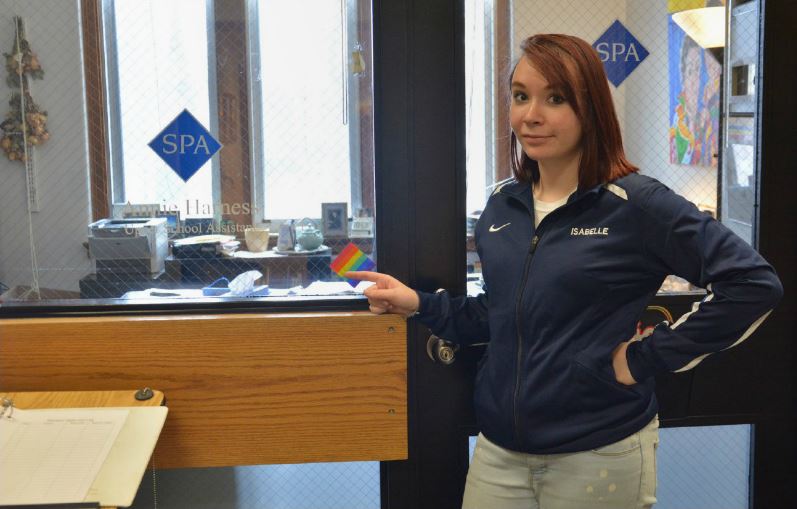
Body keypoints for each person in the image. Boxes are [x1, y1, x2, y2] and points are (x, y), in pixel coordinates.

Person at [347, 33, 783, 509]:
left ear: (589, 107)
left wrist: (643, 360)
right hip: (499, 453)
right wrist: (418, 304)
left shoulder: (636, 203)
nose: (531, 115)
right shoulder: (502, 207)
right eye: (520, 96)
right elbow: (499, 315)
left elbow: (753, 284)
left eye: (554, 98)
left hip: (598, 451)